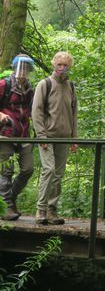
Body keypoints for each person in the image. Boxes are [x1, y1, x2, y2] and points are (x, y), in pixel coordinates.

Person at [32, 51, 78, 225]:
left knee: (58, 174)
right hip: (47, 136)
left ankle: (52, 210)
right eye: (59, 64)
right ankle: (41, 209)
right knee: (49, 170)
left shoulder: (71, 86)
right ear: (53, 64)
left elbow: (74, 113)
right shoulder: (45, 84)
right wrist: (41, 135)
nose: (62, 68)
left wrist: (74, 138)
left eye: (65, 65)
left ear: (69, 66)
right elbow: (36, 112)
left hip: (65, 137)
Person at [0, 54, 36, 221]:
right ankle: (6, 206)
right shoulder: (4, 84)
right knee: (5, 171)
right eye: (20, 67)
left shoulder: (30, 88)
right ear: (14, 67)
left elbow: (34, 110)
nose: (22, 71)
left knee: (28, 169)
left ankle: (10, 198)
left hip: (24, 134)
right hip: (5, 133)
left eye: (26, 67)